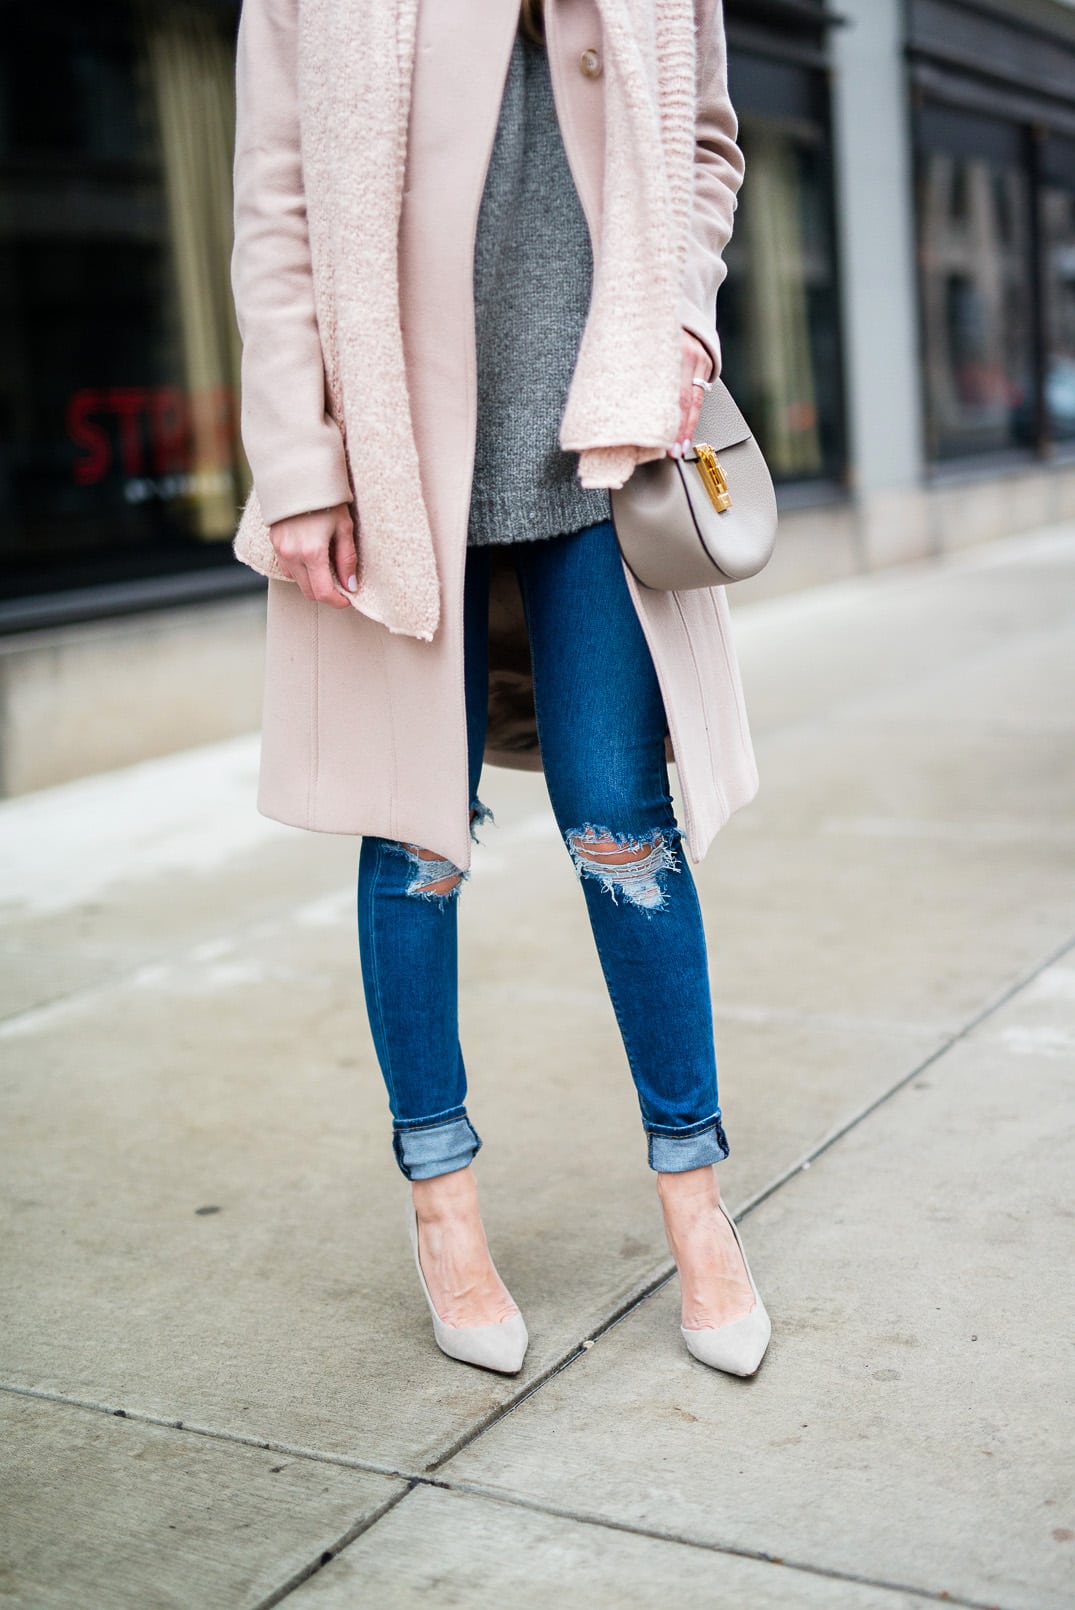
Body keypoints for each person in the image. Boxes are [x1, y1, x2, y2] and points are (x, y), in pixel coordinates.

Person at [229, 0, 770, 1379]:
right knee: (415, 836)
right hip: (401, 458)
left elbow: (707, 144)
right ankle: (443, 1207)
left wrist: (688, 324)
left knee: (620, 825)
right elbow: (276, 203)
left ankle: (698, 1209)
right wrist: (298, 463)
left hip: (604, 446)